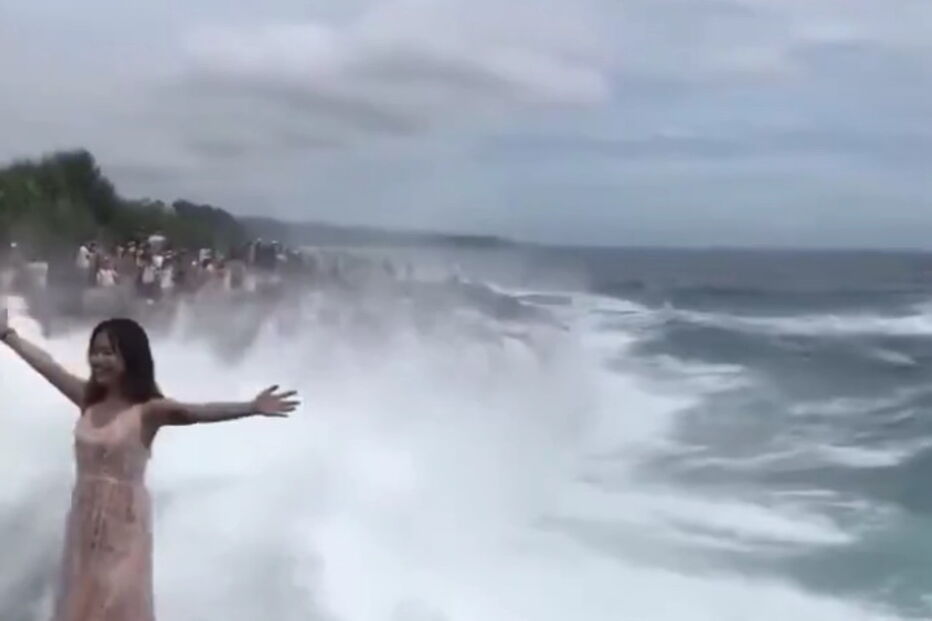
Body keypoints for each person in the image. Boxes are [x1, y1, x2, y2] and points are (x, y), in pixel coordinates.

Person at [0, 308, 299, 621]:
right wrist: (8, 336)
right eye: (95, 352)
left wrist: (251, 407)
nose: (98, 360)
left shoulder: (148, 411)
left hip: (124, 522)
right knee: (82, 594)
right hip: (84, 517)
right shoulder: (89, 399)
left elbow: (196, 412)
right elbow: (48, 366)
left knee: (116, 598)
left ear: (130, 358)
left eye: (108, 353)